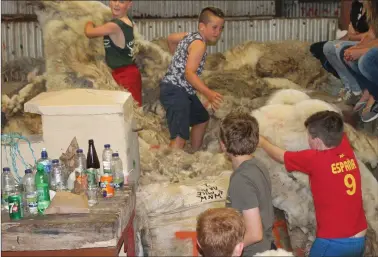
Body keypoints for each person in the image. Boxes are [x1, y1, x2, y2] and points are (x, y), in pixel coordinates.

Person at [258, 110, 367, 257]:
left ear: (317, 140)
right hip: (359, 240)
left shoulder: (315, 160)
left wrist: (262, 141)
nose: (308, 140)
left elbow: (280, 155)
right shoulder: (345, 148)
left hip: (333, 243)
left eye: (308, 136)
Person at [159, 7, 224, 151]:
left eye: (221, 28)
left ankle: (194, 153)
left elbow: (170, 38)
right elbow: (189, 74)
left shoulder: (189, 35)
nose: (217, 32)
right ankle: (172, 166)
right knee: (179, 137)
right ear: (202, 26)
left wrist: (177, 58)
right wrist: (209, 93)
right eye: (214, 27)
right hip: (174, 91)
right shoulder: (199, 44)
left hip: (182, 89)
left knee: (201, 118)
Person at [220, 111, 275, 256]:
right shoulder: (257, 164)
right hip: (266, 246)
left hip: (252, 252)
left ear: (223, 145)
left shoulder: (241, 180)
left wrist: (229, 251)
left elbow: (255, 234)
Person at [84, 0, 142, 106]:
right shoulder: (128, 20)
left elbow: (89, 32)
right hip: (129, 73)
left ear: (129, 4)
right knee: (130, 111)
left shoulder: (114, 26)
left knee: (128, 112)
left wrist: (89, 22)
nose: (116, 4)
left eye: (121, 1)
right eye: (114, 0)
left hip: (125, 75)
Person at [322, 0, 370, 104]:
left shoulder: (373, 7)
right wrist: (356, 37)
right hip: (360, 42)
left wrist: (356, 37)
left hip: (371, 44)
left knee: (342, 48)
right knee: (328, 47)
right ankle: (349, 87)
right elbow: (351, 32)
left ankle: (357, 91)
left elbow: (370, 36)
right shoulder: (356, 5)